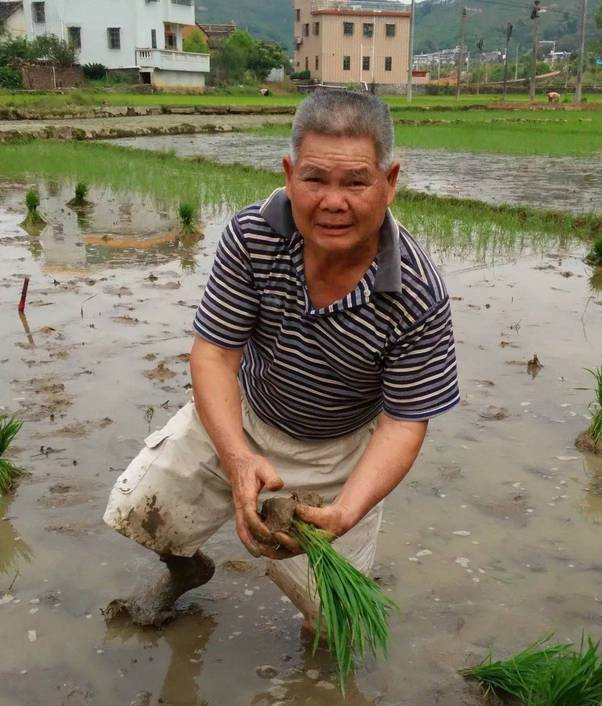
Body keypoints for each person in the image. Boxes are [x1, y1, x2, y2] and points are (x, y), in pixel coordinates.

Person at [103, 90, 460, 628]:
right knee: (145, 513)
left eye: (356, 181)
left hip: (335, 451)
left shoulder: (415, 293)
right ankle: (184, 570)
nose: (333, 201)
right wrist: (238, 458)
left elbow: (403, 423)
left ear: (389, 182)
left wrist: (347, 510)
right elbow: (216, 355)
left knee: (333, 622)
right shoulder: (253, 237)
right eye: (315, 178)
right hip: (241, 413)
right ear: (290, 174)